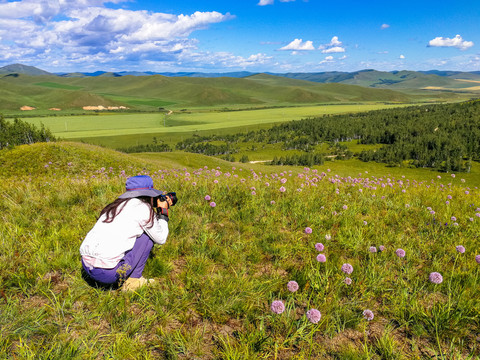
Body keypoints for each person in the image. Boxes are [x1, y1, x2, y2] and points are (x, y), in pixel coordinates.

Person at [80, 175, 177, 291]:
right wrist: (163, 213)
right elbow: (161, 238)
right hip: (108, 275)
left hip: (86, 266)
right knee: (147, 237)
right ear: (148, 194)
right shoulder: (143, 208)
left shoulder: (116, 206)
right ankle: (133, 282)